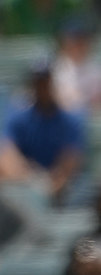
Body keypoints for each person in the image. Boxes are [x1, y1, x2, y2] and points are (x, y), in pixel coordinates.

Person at [0, 59, 85, 206]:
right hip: (26, 184)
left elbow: (70, 162)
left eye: (47, 82)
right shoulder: (19, 117)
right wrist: (31, 180)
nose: (43, 87)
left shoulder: (71, 120)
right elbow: (6, 154)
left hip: (61, 189)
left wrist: (51, 186)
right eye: (39, 83)